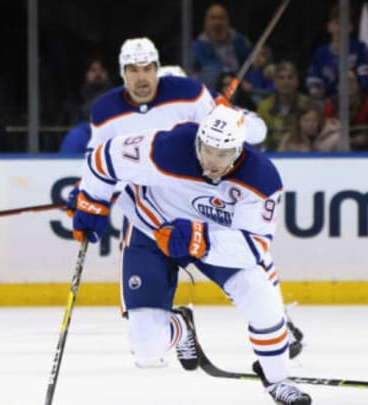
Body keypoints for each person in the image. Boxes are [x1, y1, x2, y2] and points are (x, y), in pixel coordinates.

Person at [67, 37, 303, 358]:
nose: (141, 77)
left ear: (158, 72)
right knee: (143, 334)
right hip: (148, 209)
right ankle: (172, 327)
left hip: (203, 202)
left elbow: (253, 134)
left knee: (251, 254)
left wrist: (234, 113)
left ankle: (277, 322)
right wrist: (88, 195)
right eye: (133, 69)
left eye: (147, 68)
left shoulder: (191, 95)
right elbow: (100, 161)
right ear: (122, 73)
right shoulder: (107, 112)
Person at [70, 105, 311, 405]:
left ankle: (277, 380)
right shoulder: (168, 147)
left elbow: (253, 247)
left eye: (222, 154)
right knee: (146, 347)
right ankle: (182, 326)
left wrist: (199, 239)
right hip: (151, 229)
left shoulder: (261, 179)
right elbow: (103, 159)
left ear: (238, 150)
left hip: (214, 237)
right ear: (198, 140)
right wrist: (92, 199)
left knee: (262, 296)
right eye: (207, 149)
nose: (212, 161)